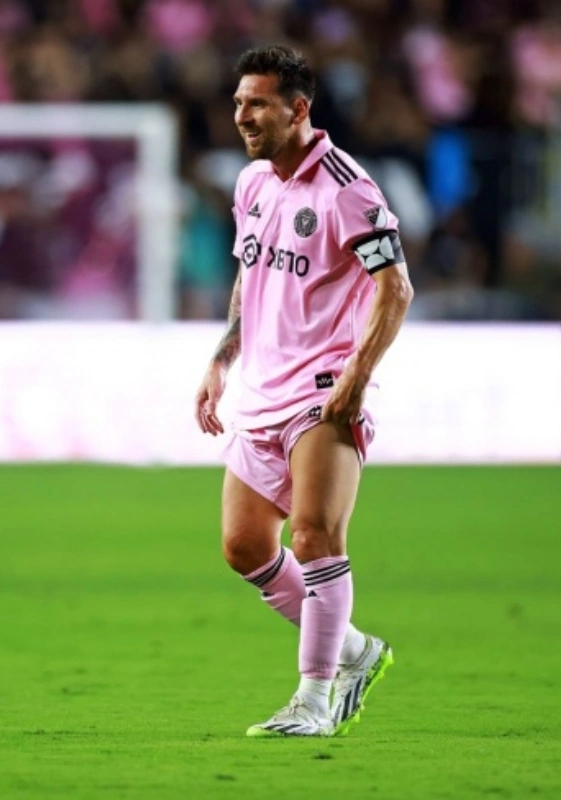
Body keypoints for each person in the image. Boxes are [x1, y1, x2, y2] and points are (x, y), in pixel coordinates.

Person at [194, 45, 414, 737]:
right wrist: (222, 359)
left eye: (257, 104)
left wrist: (355, 378)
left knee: (315, 535)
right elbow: (250, 274)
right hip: (261, 388)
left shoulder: (348, 188)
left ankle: (313, 701)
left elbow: (396, 288)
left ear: (298, 109)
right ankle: (355, 650)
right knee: (244, 546)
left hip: (323, 391)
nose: (242, 116)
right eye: (238, 103)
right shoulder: (252, 184)